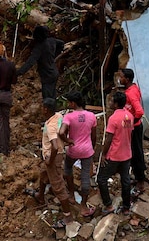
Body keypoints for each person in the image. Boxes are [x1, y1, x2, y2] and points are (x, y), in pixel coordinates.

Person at [31, 97, 75, 229]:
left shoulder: (50, 127)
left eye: (43, 107)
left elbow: (55, 146)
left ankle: (68, 217)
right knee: (44, 174)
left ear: (46, 109)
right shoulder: (58, 116)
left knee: (58, 187)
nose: (41, 109)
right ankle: (40, 196)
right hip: (56, 155)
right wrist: (66, 141)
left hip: (53, 156)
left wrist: (50, 160)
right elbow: (63, 132)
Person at [60, 90, 97, 218]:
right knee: (85, 176)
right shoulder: (91, 116)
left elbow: (61, 132)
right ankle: (83, 205)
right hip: (87, 150)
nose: (69, 104)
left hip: (73, 149)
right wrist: (91, 147)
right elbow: (94, 136)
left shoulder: (69, 117)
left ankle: (71, 194)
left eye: (70, 102)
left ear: (73, 103)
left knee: (68, 168)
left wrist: (67, 140)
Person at [97, 91, 134, 216]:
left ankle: (108, 205)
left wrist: (103, 154)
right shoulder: (129, 116)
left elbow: (109, 138)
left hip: (114, 154)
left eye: (112, 101)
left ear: (116, 103)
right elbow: (129, 133)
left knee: (101, 179)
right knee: (126, 180)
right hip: (126, 154)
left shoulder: (113, 118)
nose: (110, 103)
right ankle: (126, 207)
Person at [118, 68, 148, 194]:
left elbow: (139, 111)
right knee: (132, 152)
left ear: (127, 79)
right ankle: (137, 177)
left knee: (136, 153)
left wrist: (131, 123)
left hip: (134, 127)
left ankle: (141, 180)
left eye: (122, 77)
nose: (120, 79)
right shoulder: (131, 89)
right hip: (131, 126)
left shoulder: (131, 93)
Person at [16, 25, 64, 100]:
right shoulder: (52, 41)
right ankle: (53, 108)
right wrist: (55, 54)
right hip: (54, 72)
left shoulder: (39, 48)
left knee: (47, 98)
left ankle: (49, 110)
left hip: (47, 74)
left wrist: (18, 72)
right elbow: (61, 43)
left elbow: (30, 62)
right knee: (52, 95)